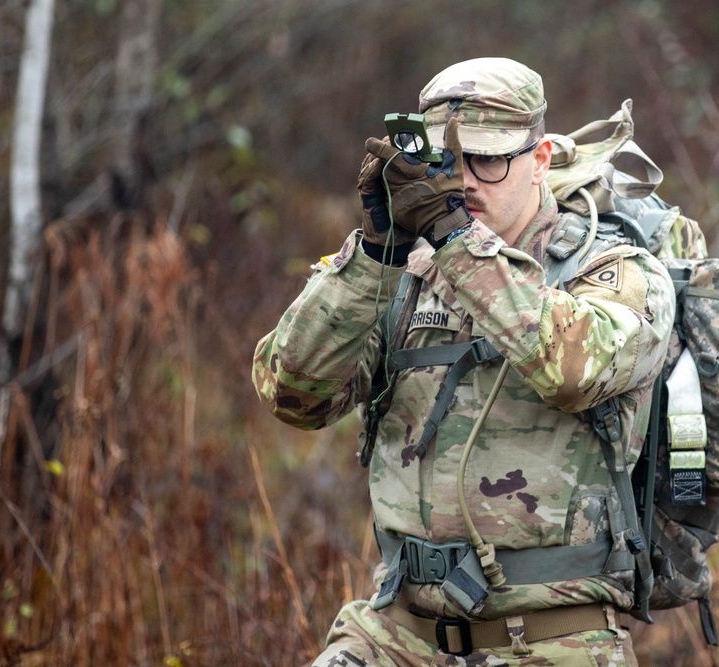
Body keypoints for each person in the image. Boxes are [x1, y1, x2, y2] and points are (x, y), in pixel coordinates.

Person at [252, 57, 675, 666]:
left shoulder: (614, 271)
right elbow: (292, 394)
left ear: (540, 160)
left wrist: (457, 243)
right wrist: (375, 252)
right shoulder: (406, 275)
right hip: (396, 631)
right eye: (449, 162)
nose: (468, 181)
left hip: (555, 639)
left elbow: (576, 368)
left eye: (490, 158)